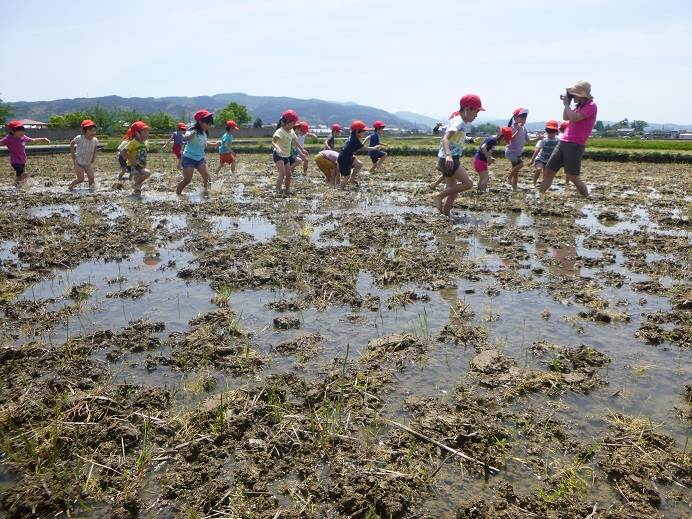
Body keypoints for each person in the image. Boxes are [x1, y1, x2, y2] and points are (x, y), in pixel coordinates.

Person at [540, 81, 598, 197]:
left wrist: (567, 104)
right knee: (548, 170)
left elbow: (575, 118)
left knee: (572, 176)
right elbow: (566, 117)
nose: (573, 96)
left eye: (574, 94)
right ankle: (540, 197)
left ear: (581, 95)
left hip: (575, 144)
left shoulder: (591, 106)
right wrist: (567, 104)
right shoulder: (578, 107)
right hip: (563, 141)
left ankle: (586, 198)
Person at [431, 94, 484, 215]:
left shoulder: (461, 123)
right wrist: (449, 155)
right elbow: (445, 138)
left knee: (453, 192)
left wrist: (470, 140)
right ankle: (438, 196)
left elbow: (457, 138)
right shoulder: (458, 122)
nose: (476, 115)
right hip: (449, 159)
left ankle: (445, 214)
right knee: (468, 184)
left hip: (446, 159)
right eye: (476, 111)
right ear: (467, 109)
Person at [176, 109, 216, 195]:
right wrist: (189, 136)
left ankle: (206, 193)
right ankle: (177, 194)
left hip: (200, 159)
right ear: (200, 122)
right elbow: (185, 137)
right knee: (187, 180)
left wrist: (214, 144)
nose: (209, 126)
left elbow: (204, 144)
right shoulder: (192, 130)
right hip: (188, 158)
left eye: (210, 124)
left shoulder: (204, 133)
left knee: (207, 177)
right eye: (207, 123)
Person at [337, 120, 379, 189]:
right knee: (346, 176)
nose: (365, 133)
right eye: (363, 131)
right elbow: (364, 148)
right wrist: (374, 148)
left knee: (359, 164)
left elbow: (357, 147)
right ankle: (341, 190)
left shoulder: (352, 137)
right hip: (345, 159)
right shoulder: (354, 140)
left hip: (346, 156)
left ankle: (352, 180)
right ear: (357, 131)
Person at [272, 109, 306, 194]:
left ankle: (287, 189)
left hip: (286, 156)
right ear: (287, 121)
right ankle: (278, 190)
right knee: (282, 173)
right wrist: (277, 147)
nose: (294, 125)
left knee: (289, 174)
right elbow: (273, 142)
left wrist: (301, 150)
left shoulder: (291, 131)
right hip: (278, 155)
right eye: (293, 123)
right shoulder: (280, 131)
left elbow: (294, 141)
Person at [473, 126, 512, 192]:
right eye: (504, 139)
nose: (503, 142)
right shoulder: (492, 140)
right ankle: (482, 191)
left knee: (482, 177)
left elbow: (485, 150)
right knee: (486, 177)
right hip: (480, 160)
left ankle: (479, 191)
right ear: (501, 136)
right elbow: (483, 147)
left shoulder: (493, 139)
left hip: (479, 160)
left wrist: (490, 157)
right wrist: (488, 158)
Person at [68, 119, 99, 191]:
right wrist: (72, 154)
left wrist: (93, 158)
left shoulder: (95, 140)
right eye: (90, 130)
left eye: (94, 130)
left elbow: (95, 149)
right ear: (85, 131)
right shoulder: (80, 138)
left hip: (87, 162)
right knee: (81, 179)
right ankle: (71, 186)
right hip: (78, 162)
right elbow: (72, 143)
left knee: (91, 177)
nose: (93, 132)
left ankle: (91, 190)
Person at [123, 121, 151, 195]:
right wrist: (131, 161)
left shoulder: (144, 143)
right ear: (137, 133)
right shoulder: (133, 142)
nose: (147, 134)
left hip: (141, 165)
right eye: (145, 132)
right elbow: (123, 151)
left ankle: (136, 194)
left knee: (139, 182)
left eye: (147, 132)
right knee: (147, 173)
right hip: (134, 166)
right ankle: (135, 186)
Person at [530, 120, 560, 187]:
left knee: (546, 174)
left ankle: (543, 186)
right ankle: (533, 183)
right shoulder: (543, 140)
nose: (551, 133)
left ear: (556, 132)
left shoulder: (558, 140)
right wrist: (532, 160)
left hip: (549, 160)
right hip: (540, 159)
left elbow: (560, 151)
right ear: (547, 131)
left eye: (553, 131)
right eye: (549, 131)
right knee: (538, 169)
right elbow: (537, 150)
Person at [505, 108, 529, 191]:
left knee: (516, 172)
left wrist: (538, 137)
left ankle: (514, 189)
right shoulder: (511, 128)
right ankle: (508, 177)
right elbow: (509, 139)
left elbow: (528, 140)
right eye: (521, 118)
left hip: (517, 153)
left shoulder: (524, 128)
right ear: (515, 118)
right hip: (510, 152)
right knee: (521, 165)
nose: (523, 120)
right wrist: (517, 131)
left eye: (525, 118)